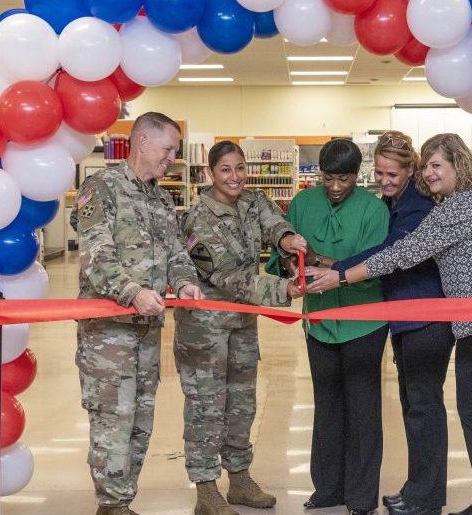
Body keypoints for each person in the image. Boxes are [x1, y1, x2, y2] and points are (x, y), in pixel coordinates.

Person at [308, 134, 472, 515]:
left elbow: (402, 254)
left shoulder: (452, 210)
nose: (429, 174)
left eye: (437, 166)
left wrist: (342, 274)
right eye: (427, 165)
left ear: (458, 165)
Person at [75, 111, 206, 515]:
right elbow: (96, 257)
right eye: (168, 149)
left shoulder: (161, 197)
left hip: (147, 331)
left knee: (140, 421)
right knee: (113, 419)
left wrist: (184, 281)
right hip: (107, 335)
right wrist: (132, 292)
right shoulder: (102, 188)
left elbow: (176, 254)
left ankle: (122, 500)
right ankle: (111, 504)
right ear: (143, 142)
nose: (172, 158)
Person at [176, 141, 309, 515]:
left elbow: (273, 222)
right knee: (207, 407)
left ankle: (239, 478)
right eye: (225, 170)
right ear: (209, 174)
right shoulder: (198, 221)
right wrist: (284, 288)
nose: (234, 177)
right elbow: (229, 278)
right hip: (204, 331)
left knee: (241, 403)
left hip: (241, 325)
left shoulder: (252, 199)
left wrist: (286, 240)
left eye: (240, 168)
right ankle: (205, 488)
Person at [331, 131, 452, 515]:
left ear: (410, 169)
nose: (384, 181)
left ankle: (426, 497)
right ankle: (418, 489)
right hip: (404, 319)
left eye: (392, 174)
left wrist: (337, 270)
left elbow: (391, 253)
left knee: (424, 407)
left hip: (426, 319)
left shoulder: (417, 207)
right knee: (413, 406)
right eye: (380, 173)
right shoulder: (395, 202)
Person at [286, 138, 390, 515]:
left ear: (356, 176)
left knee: (362, 409)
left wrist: (323, 261)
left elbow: (374, 266)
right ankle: (328, 488)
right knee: (326, 405)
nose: (334, 187)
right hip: (319, 324)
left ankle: (362, 497)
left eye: (343, 179)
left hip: (364, 323)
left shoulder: (374, 210)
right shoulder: (302, 203)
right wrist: (292, 269)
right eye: (328, 178)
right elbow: (284, 255)